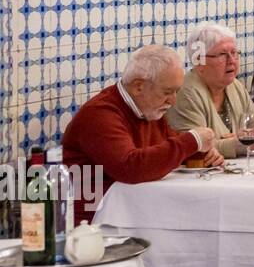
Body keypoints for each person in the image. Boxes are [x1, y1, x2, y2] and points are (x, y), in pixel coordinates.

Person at [61, 45, 222, 222]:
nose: (173, 101)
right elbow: (130, 167)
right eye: (167, 92)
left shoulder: (149, 108)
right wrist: (192, 141)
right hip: (92, 224)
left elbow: (165, 149)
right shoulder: (99, 114)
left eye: (177, 92)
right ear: (138, 87)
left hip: (133, 213)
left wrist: (200, 153)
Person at [168, 21, 254, 159]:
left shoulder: (234, 85)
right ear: (199, 61)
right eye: (222, 54)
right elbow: (194, 147)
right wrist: (238, 143)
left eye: (234, 52)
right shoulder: (186, 93)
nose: (232, 60)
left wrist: (244, 138)